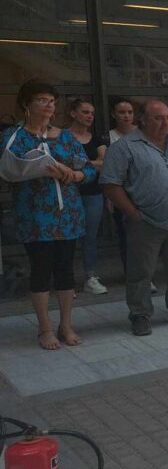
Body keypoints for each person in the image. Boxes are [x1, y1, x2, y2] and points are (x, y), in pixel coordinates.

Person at [100, 99, 168, 337]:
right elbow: (110, 184)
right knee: (141, 272)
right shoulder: (125, 147)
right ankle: (140, 315)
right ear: (144, 119)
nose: (165, 122)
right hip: (145, 222)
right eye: (158, 118)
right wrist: (132, 212)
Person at [5, 81, 95, 350]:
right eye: (42, 100)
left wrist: (76, 174)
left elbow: (88, 170)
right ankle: (44, 328)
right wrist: (46, 168)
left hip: (67, 215)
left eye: (52, 101)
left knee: (66, 271)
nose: (48, 105)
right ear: (26, 104)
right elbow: (9, 170)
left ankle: (66, 324)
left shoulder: (65, 137)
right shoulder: (14, 137)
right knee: (41, 270)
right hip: (35, 216)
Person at [67, 99, 109, 294]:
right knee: (68, 236)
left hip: (93, 193)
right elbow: (62, 164)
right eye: (85, 112)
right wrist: (92, 164)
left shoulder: (97, 139)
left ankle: (90, 276)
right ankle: (66, 281)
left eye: (91, 112)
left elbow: (104, 163)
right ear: (73, 113)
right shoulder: (63, 137)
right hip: (69, 193)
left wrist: (80, 164)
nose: (89, 116)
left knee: (90, 236)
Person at [108, 97, 136, 271]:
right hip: (121, 191)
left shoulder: (143, 134)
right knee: (126, 234)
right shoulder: (109, 137)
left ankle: (147, 274)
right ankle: (131, 273)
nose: (126, 116)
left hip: (143, 191)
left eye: (130, 112)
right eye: (122, 112)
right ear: (113, 114)